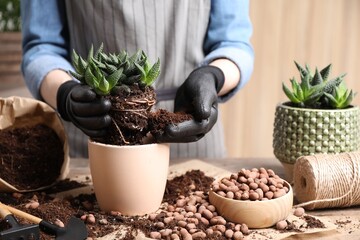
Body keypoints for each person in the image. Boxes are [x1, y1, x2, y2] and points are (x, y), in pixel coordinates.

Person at [20, 0, 254, 159]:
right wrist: (65, 94)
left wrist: (212, 76)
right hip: (94, 131)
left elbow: (233, 43)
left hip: (191, 138)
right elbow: (42, 47)